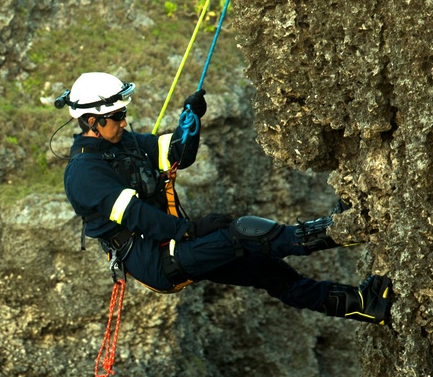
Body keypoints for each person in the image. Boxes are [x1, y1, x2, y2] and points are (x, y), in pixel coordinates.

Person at [57, 71, 392, 324]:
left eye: (122, 114)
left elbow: (178, 154)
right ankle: (337, 232)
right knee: (241, 232)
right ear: (91, 121)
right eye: (116, 116)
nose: (123, 120)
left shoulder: (123, 143)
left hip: (168, 243)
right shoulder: (85, 174)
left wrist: (191, 119)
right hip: (156, 260)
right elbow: (140, 218)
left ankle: (363, 305)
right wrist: (191, 230)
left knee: (268, 271)